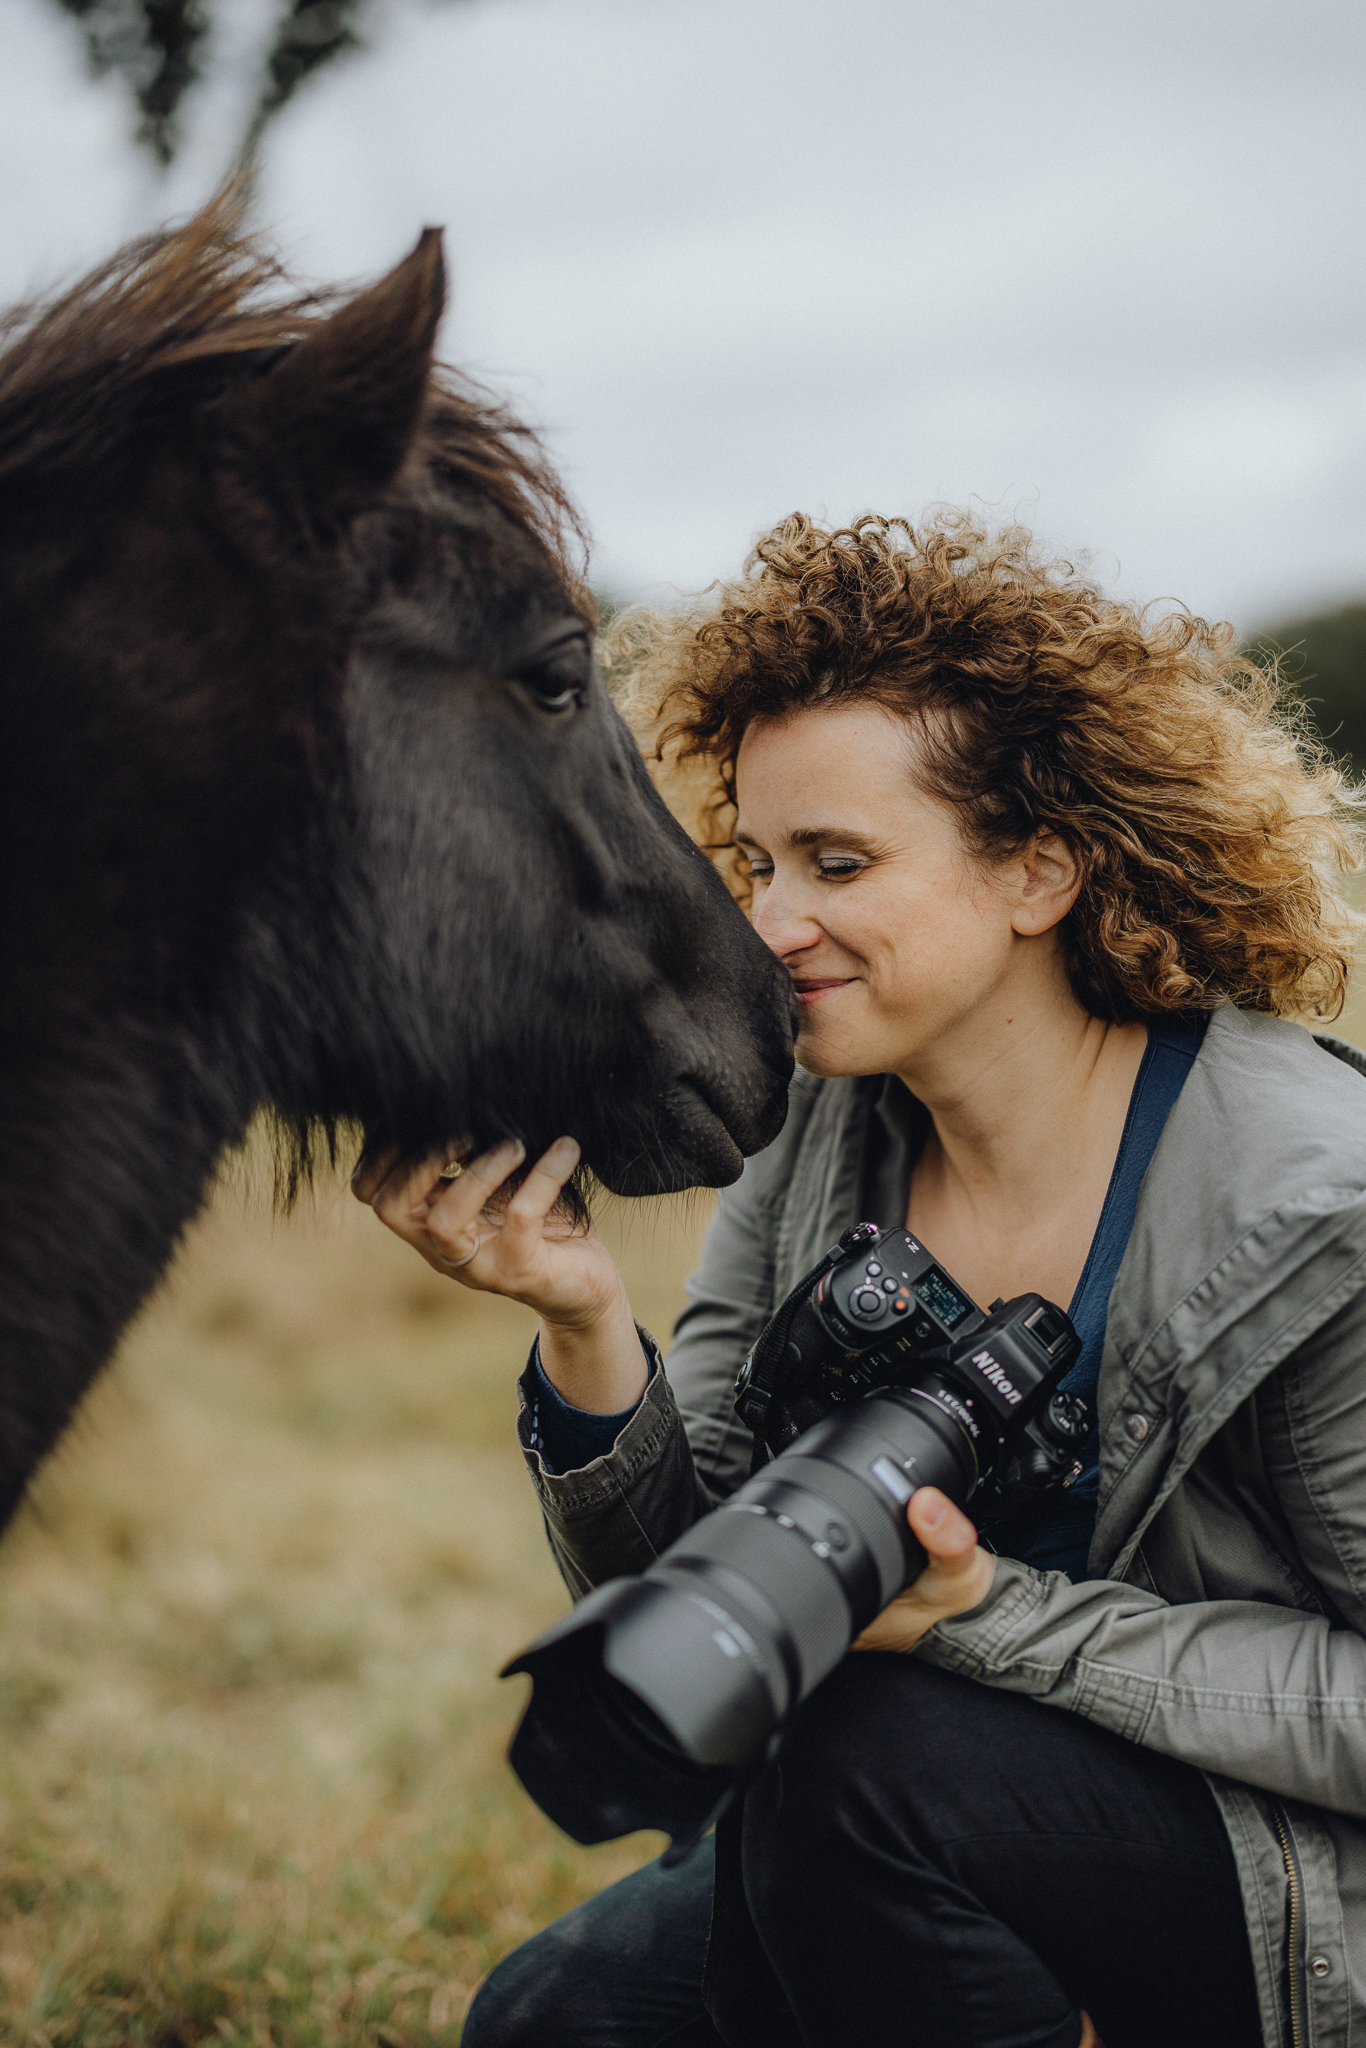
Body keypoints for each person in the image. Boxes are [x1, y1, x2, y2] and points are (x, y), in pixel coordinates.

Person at [355, 511, 1366, 2048]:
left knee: (866, 1763)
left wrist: (981, 1616)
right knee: (555, 2019)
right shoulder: (822, 1127)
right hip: (889, 1812)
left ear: (1037, 871)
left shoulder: (1313, 1211)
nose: (767, 925)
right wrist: (582, 1322)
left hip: (1286, 1878)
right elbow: (698, 1609)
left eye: (838, 863)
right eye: (756, 863)